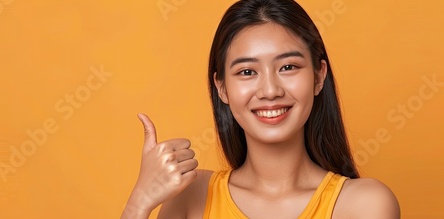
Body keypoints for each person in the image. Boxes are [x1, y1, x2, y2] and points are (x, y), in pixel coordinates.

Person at [121, 0, 400, 218]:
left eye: (288, 67)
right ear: (222, 88)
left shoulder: (364, 204)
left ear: (318, 76)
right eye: (246, 72)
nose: (270, 90)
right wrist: (140, 201)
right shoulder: (191, 194)